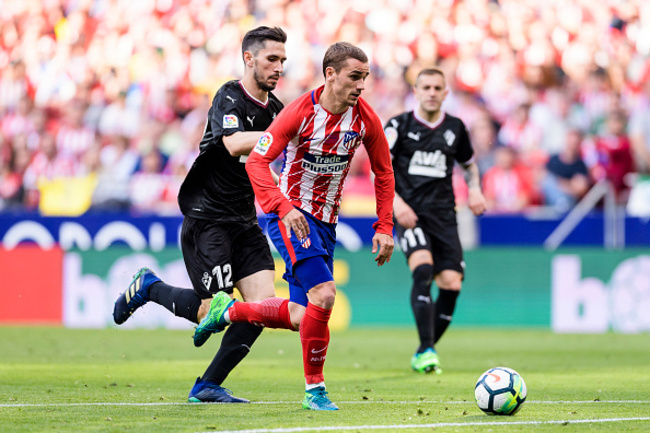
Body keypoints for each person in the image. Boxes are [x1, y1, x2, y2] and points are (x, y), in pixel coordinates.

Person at [193, 42, 395, 411]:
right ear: (330, 74)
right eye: (355, 77)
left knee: (302, 316)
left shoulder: (366, 118)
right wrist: (282, 208)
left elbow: (383, 171)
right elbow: (256, 162)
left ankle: (227, 311)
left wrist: (384, 225)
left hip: (326, 223)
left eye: (365, 78)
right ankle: (314, 391)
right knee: (325, 294)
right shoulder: (299, 112)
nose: (361, 85)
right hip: (290, 215)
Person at [111, 26, 288, 403]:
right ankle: (149, 287)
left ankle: (207, 385)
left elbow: (269, 162)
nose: (278, 68)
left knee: (260, 310)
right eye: (272, 59)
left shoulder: (276, 110)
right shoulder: (229, 96)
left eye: (283, 61)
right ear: (249, 58)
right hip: (207, 218)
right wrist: (282, 136)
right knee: (214, 309)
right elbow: (234, 142)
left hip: (243, 220)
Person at [384, 68, 486, 374]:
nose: (431, 92)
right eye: (425, 86)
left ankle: (423, 349)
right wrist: (396, 203)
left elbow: (469, 165)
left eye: (437, 87)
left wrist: (476, 190)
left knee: (451, 283)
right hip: (410, 214)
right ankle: (428, 349)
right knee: (424, 268)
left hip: (444, 214)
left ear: (445, 93)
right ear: (415, 91)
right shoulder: (398, 126)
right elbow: (381, 170)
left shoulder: (455, 128)